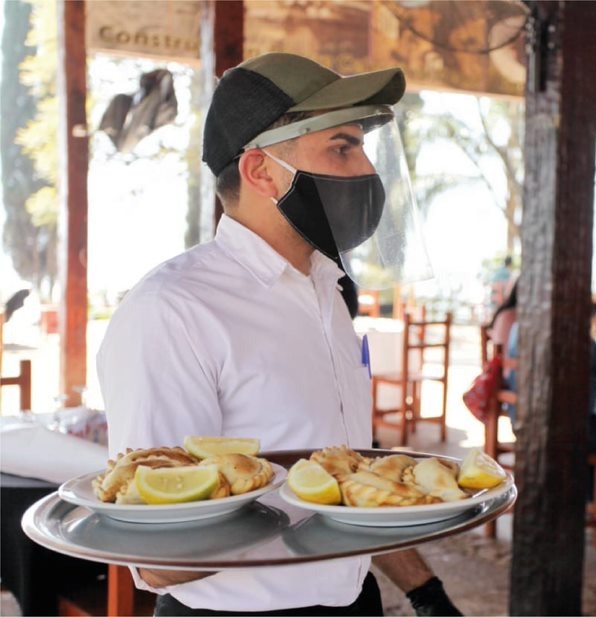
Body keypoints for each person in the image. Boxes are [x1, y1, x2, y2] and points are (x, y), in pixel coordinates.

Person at [98, 52, 458, 616]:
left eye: (362, 145)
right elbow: (158, 555)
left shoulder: (328, 292)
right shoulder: (174, 311)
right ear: (262, 171)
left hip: (354, 600)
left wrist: (424, 590)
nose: (366, 169)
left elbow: (345, 479)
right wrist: (280, 496)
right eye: (342, 147)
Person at [502, 300, 596, 539]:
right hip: (563, 428)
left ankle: (587, 498)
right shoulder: (574, 334)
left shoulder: (518, 328)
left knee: (593, 427)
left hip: (522, 422)